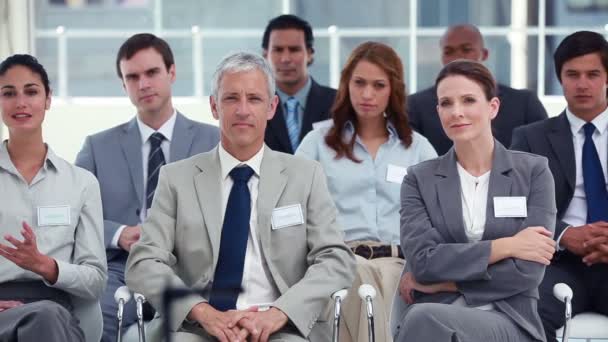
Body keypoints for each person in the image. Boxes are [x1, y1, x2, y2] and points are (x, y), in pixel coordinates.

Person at [125, 51, 356, 342]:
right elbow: (143, 262)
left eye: (254, 99)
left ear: (272, 107)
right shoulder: (177, 179)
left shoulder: (306, 176)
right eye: (231, 98)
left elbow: (336, 259)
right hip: (196, 327)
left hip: (280, 327)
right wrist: (202, 311)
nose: (243, 110)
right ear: (213, 106)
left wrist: (280, 312)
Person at [391, 60, 557, 342]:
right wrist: (506, 246)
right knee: (425, 319)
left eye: (468, 100)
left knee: (423, 320)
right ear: (438, 111)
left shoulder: (534, 172)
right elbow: (423, 262)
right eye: (446, 103)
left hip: (509, 319)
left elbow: (527, 272)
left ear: (492, 107)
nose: (457, 112)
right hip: (436, 313)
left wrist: (448, 283)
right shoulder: (419, 179)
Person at [75, 33, 219, 342]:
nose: (143, 84)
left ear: (172, 72)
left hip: (193, 268)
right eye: (133, 77)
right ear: (123, 84)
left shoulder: (214, 141)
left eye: (152, 72)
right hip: (121, 269)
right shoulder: (98, 146)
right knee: (98, 319)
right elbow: (74, 215)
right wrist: (119, 233)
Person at [296, 41, 436, 342]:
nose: (367, 94)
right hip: (337, 260)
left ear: (393, 90)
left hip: (401, 264)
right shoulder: (317, 143)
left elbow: (437, 218)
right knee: (357, 273)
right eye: (359, 83)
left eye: (378, 85)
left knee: (381, 279)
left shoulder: (418, 148)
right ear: (346, 85)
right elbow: (293, 208)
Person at [0, 54, 107, 341]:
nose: (21, 102)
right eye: (9, 93)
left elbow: (96, 280)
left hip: (56, 313)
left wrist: (45, 265)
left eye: (31, 91)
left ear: (48, 99)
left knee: (47, 317)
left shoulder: (81, 183)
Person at [511, 30, 608, 342]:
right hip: (557, 260)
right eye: (572, 75)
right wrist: (566, 234)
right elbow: (515, 203)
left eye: (593, 74)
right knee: (528, 311)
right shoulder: (530, 137)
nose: (582, 84)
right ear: (560, 79)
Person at [408, 24, 547, 155]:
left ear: (484, 54)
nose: (457, 57)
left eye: (466, 49)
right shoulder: (415, 105)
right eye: (448, 51)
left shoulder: (524, 103)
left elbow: (543, 155)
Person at [262, 14, 337, 154]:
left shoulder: (338, 102)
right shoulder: (254, 104)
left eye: (294, 49)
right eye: (278, 50)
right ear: (265, 55)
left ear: (309, 54)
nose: (285, 59)